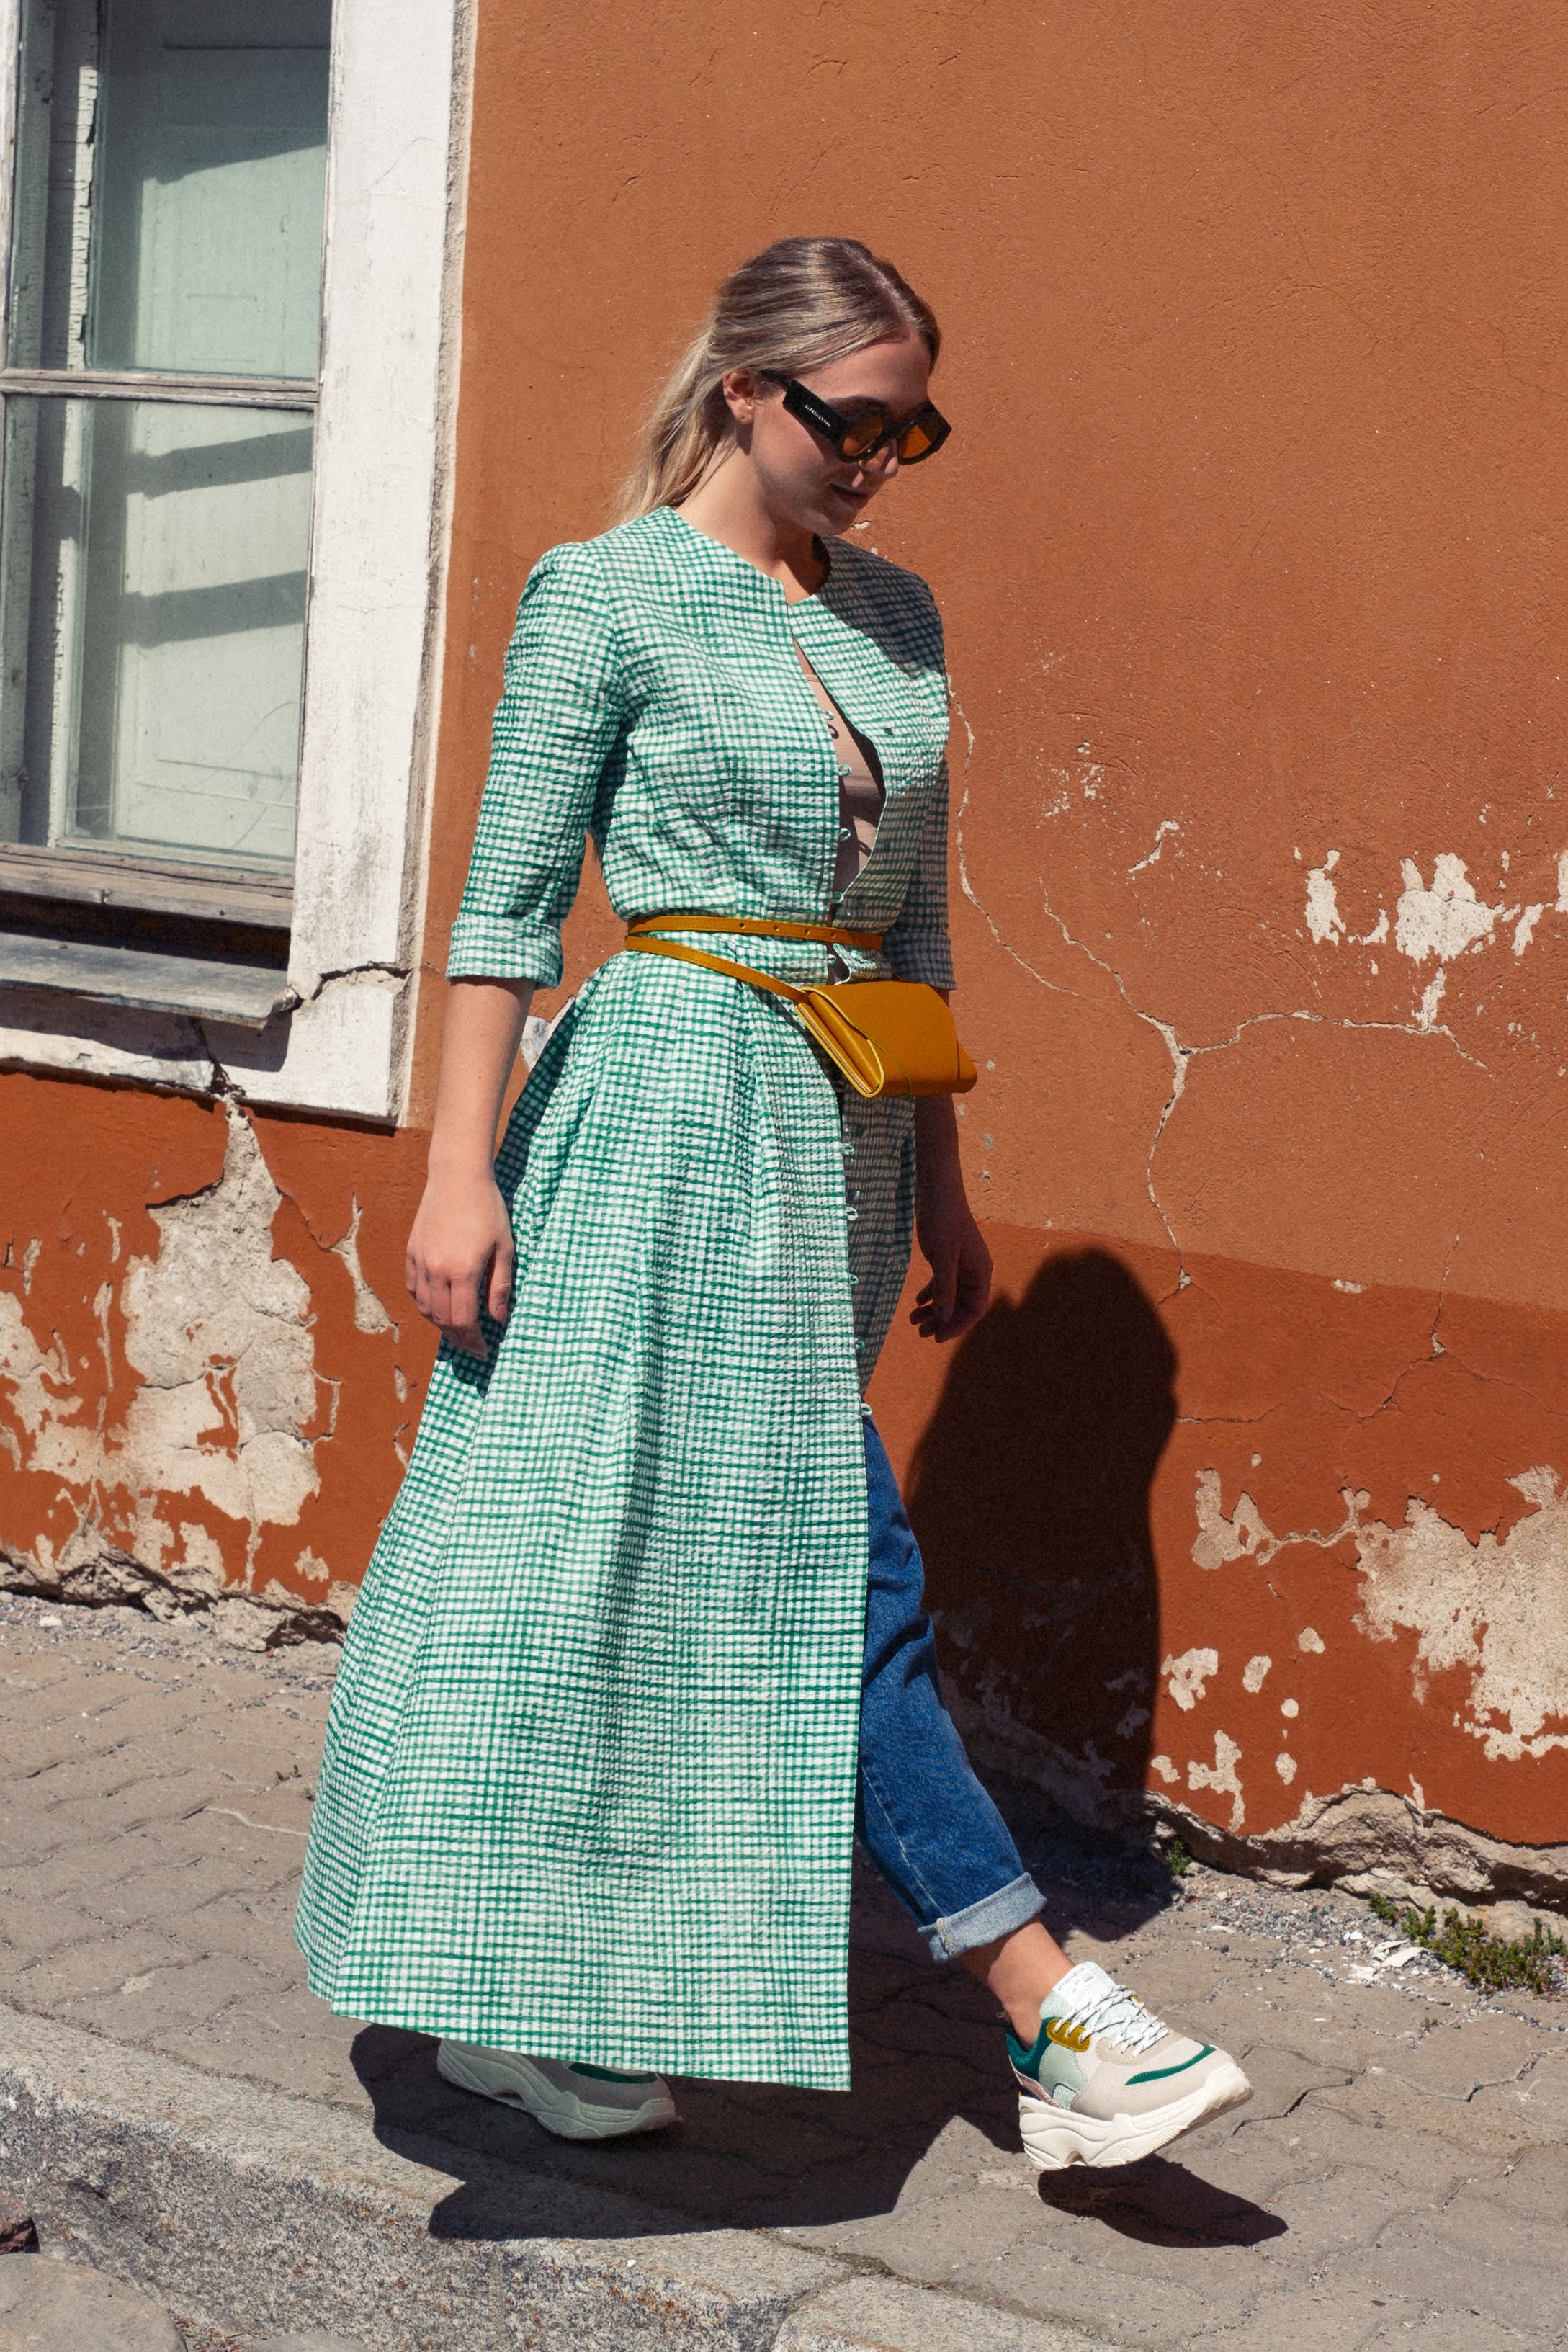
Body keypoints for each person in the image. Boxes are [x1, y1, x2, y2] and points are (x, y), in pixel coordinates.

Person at [295, 236, 1250, 2172]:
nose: (882, 460)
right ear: (746, 387)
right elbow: (501, 913)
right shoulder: (603, 597)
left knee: (704, 1567)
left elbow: (909, 931)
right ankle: (1052, 2015)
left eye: (913, 430)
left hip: (837, 1148)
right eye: (852, 421)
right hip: (657, 1119)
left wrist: (946, 1182)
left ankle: (517, 2003)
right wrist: (459, 1171)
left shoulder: (897, 616)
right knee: (791, 1556)